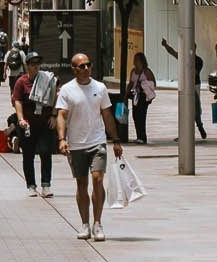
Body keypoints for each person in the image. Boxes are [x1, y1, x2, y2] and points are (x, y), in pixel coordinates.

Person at [55, 52, 124, 242]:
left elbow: (107, 115)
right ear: (74, 69)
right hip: (76, 144)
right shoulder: (67, 90)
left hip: (97, 141)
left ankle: (98, 222)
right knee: (82, 183)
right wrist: (62, 139)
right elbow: (61, 115)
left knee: (98, 179)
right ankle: (85, 223)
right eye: (82, 66)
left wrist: (115, 140)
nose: (86, 69)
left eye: (88, 65)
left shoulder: (100, 88)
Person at [12, 50, 56, 196]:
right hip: (28, 124)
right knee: (28, 154)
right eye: (33, 64)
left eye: (38, 63)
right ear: (27, 65)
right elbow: (17, 100)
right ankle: (31, 185)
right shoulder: (21, 82)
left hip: (44, 122)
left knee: (45, 152)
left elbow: (55, 96)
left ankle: (46, 185)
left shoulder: (47, 79)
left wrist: (54, 116)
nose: (36, 67)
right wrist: (20, 119)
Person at [128, 51, 157, 144]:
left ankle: (142, 137)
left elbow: (153, 83)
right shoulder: (133, 71)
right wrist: (126, 94)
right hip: (135, 95)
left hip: (144, 96)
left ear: (141, 61)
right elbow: (131, 83)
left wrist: (143, 85)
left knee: (141, 115)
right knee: (135, 115)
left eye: (137, 59)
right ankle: (139, 136)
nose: (135, 61)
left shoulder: (146, 71)